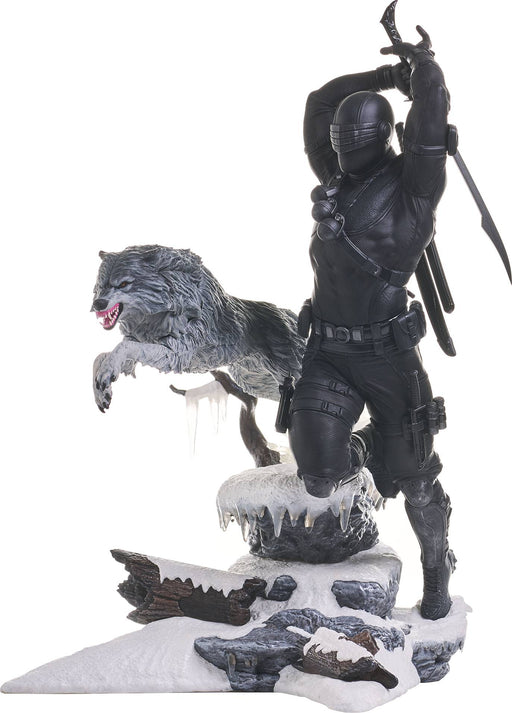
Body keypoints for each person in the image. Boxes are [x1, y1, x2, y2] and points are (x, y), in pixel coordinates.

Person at [288, 28, 455, 620]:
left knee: (416, 481)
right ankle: (366, 446)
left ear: (382, 139)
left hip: (387, 357)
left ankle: (436, 565)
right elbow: (319, 102)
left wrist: (424, 69)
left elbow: (432, 117)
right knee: (318, 476)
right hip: (328, 352)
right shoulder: (336, 176)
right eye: (338, 142)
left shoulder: (414, 189)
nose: (340, 150)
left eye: (352, 142)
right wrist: (385, 77)